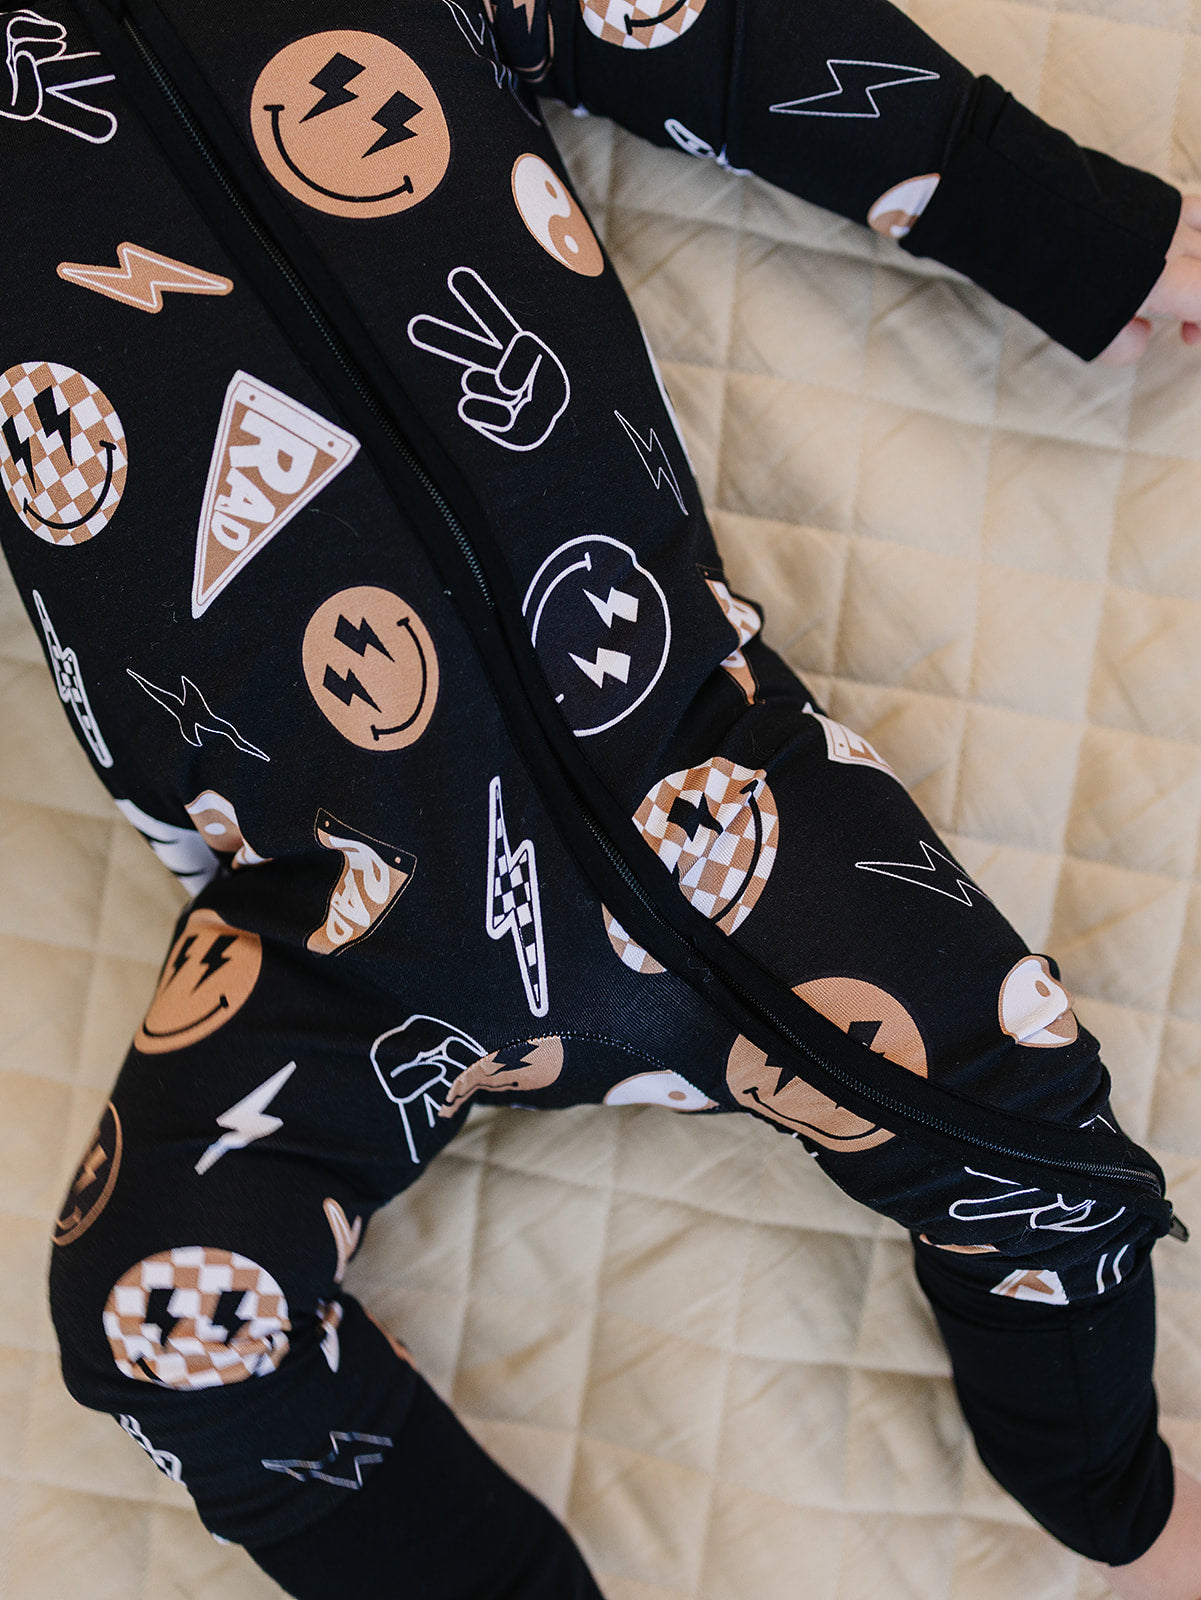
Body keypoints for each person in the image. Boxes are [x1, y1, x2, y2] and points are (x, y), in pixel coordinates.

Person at [2, 0, 1199, 1594]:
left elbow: (693, 28)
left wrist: (1050, 221)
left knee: (1027, 1119)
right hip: (334, 921)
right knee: (157, 1316)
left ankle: (1114, 1505)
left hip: (700, 768)